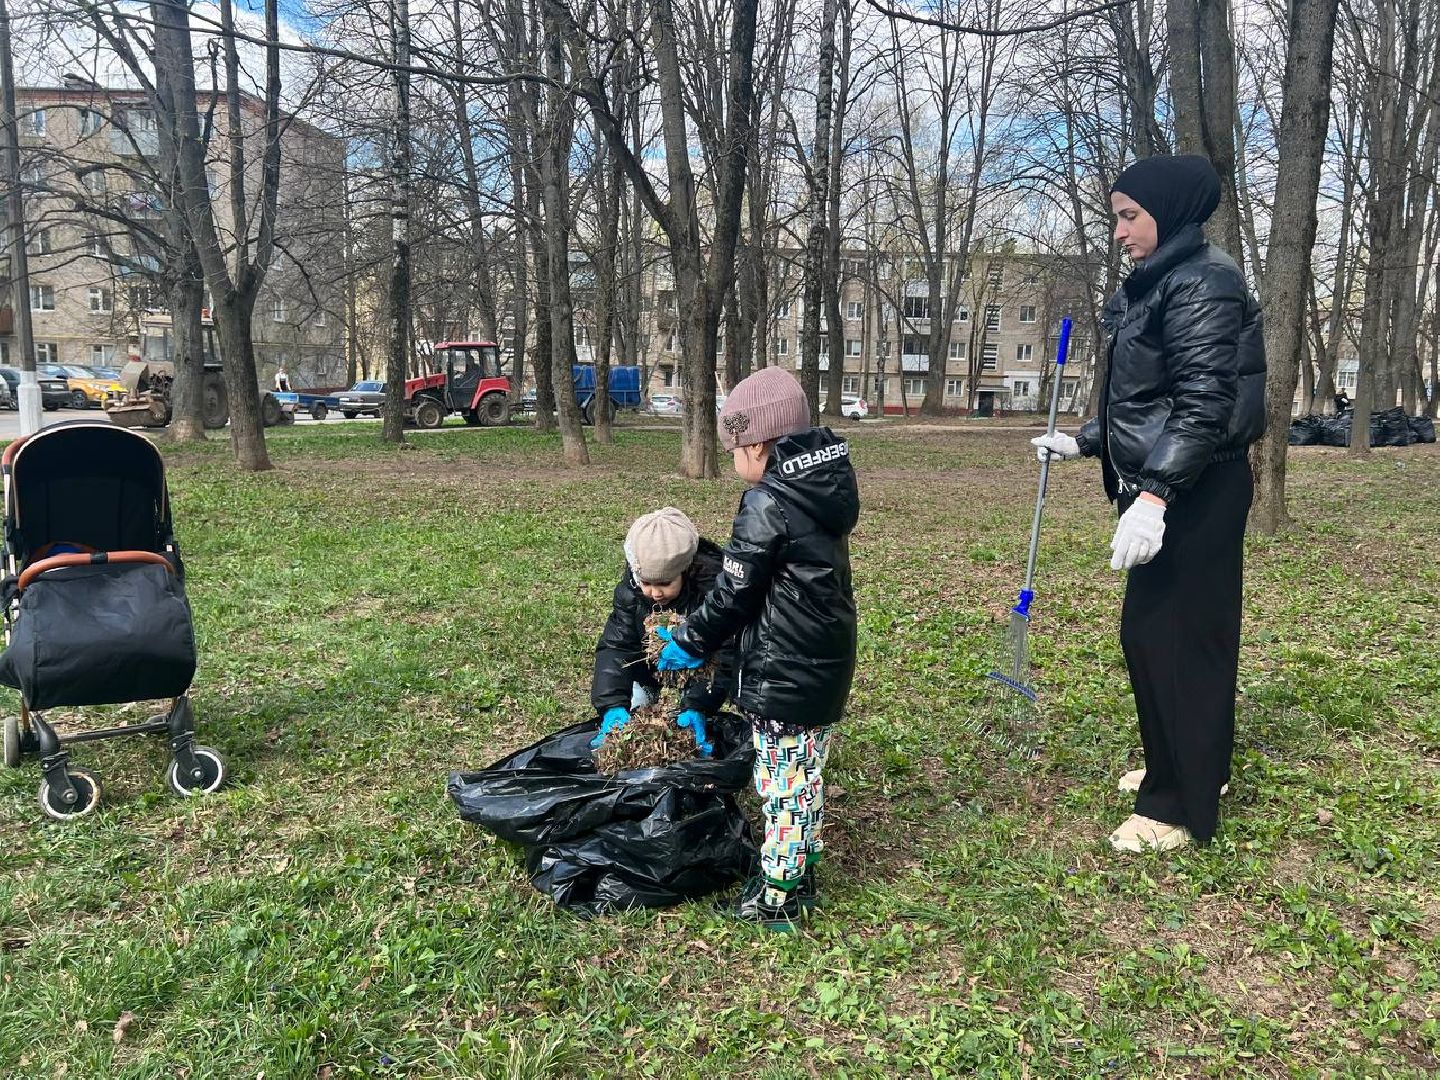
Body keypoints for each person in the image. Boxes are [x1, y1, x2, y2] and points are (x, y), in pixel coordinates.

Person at [1032, 154, 1265, 854]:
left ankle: (1174, 808)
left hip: (1198, 488)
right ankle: (1188, 767)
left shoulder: (1202, 283)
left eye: (1129, 216)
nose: (1119, 232)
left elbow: (1203, 405)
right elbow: (1148, 401)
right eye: (1116, 217)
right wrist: (1088, 441)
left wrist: (1157, 495)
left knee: (1173, 638)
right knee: (1168, 636)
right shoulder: (1161, 281)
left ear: (1169, 212)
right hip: (1182, 482)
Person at [652, 367, 860, 930]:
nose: (734, 460)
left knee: (783, 788)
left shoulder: (767, 502)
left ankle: (779, 896)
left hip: (785, 671)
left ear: (760, 444)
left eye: (735, 447)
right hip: (821, 664)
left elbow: (735, 589)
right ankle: (801, 872)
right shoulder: (822, 487)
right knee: (803, 776)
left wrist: (690, 639)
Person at [590, 507, 734, 754]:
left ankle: (690, 709)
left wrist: (698, 704)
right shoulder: (631, 594)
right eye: (646, 583)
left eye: (666, 584)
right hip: (647, 667)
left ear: (686, 570)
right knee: (636, 709)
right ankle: (644, 691)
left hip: (697, 666)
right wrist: (612, 703)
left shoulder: (713, 594)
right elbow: (616, 646)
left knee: (688, 718)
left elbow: (727, 653)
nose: (655, 593)